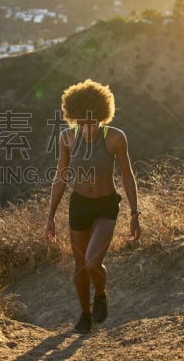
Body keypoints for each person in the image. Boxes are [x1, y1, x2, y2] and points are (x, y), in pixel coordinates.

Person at [45, 79, 141, 334]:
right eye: (82, 121)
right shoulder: (66, 138)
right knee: (79, 267)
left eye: (92, 120)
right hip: (79, 205)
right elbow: (60, 176)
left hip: (105, 206)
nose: (87, 127)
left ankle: (100, 294)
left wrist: (134, 213)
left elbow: (128, 175)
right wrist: (51, 216)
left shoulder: (115, 138)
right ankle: (85, 314)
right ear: (74, 117)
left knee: (91, 262)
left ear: (102, 115)